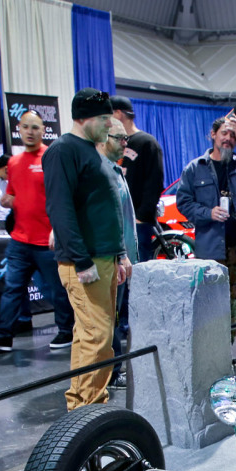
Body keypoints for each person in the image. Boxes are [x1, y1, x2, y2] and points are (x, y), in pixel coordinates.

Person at [43, 88, 133, 410]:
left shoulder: (93, 151)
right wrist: (82, 261)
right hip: (86, 262)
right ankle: (90, 409)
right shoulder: (63, 151)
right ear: (85, 117)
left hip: (105, 257)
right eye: (105, 119)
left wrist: (119, 253)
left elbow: (109, 206)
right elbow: (60, 210)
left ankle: (80, 406)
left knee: (90, 336)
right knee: (98, 338)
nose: (110, 125)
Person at [0, 111, 75, 353]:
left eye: (35, 127)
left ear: (43, 130)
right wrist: (8, 200)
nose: (30, 132)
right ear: (19, 129)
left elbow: (64, 196)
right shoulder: (13, 163)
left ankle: (67, 330)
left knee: (57, 289)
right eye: (26, 127)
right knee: (12, 287)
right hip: (20, 239)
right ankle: (2, 335)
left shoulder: (53, 157)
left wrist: (56, 228)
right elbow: (13, 194)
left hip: (47, 240)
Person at [175, 112, 236, 358]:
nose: (228, 139)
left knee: (235, 301)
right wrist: (208, 212)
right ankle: (207, 352)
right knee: (209, 301)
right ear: (213, 136)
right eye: (224, 133)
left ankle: (224, 352)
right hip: (209, 246)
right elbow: (183, 202)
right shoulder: (195, 168)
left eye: (232, 134)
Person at [97, 119, 137, 389]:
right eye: (119, 138)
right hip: (111, 260)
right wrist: (120, 255)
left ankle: (112, 371)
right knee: (107, 319)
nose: (125, 143)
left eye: (126, 139)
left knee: (115, 318)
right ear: (103, 138)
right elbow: (107, 220)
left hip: (121, 259)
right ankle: (110, 373)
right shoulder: (101, 172)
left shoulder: (116, 171)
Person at [108, 96, 164, 265]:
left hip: (137, 222)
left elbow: (155, 183)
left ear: (117, 114)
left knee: (137, 272)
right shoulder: (108, 143)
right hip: (114, 222)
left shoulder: (147, 143)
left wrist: (141, 217)